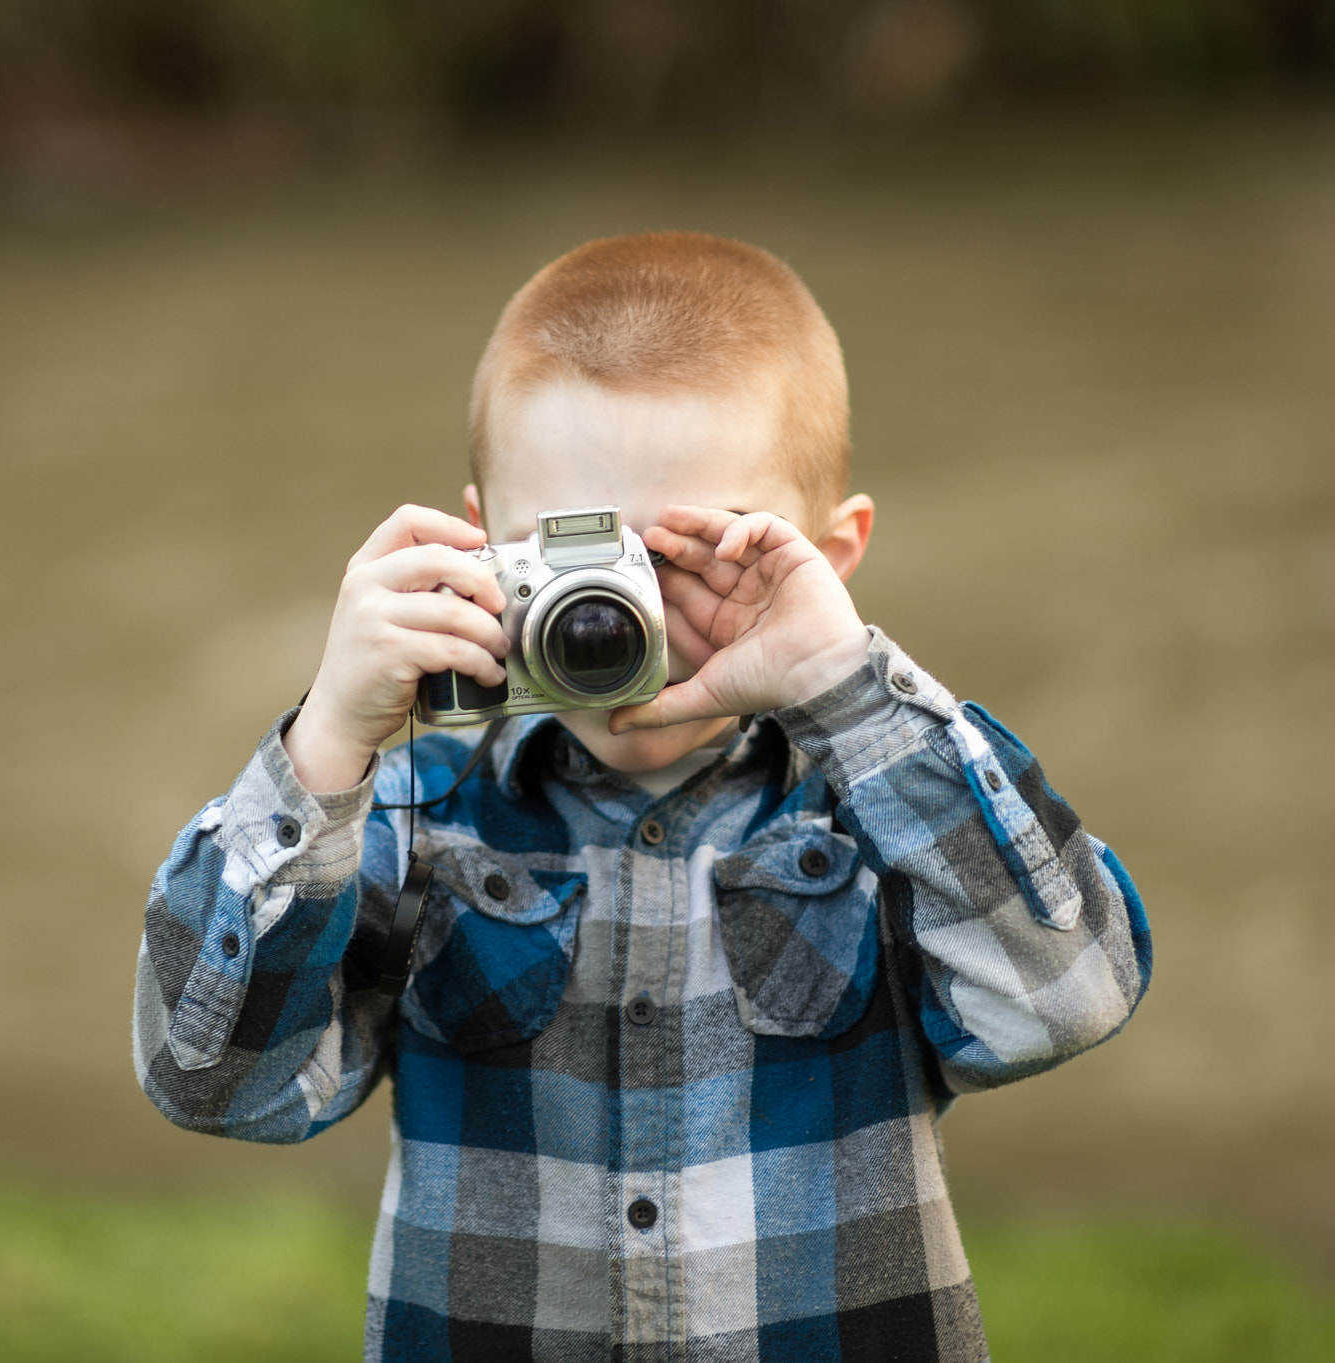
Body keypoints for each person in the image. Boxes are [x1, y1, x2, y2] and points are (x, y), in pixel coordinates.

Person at [132, 231, 1151, 1362]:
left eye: (683, 554)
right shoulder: (415, 810)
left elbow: (1066, 999)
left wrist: (851, 692)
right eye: (564, 557)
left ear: (828, 555)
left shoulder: (881, 803)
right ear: (477, 539)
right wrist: (324, 742)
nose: (615, 618)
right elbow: (213, 1080)